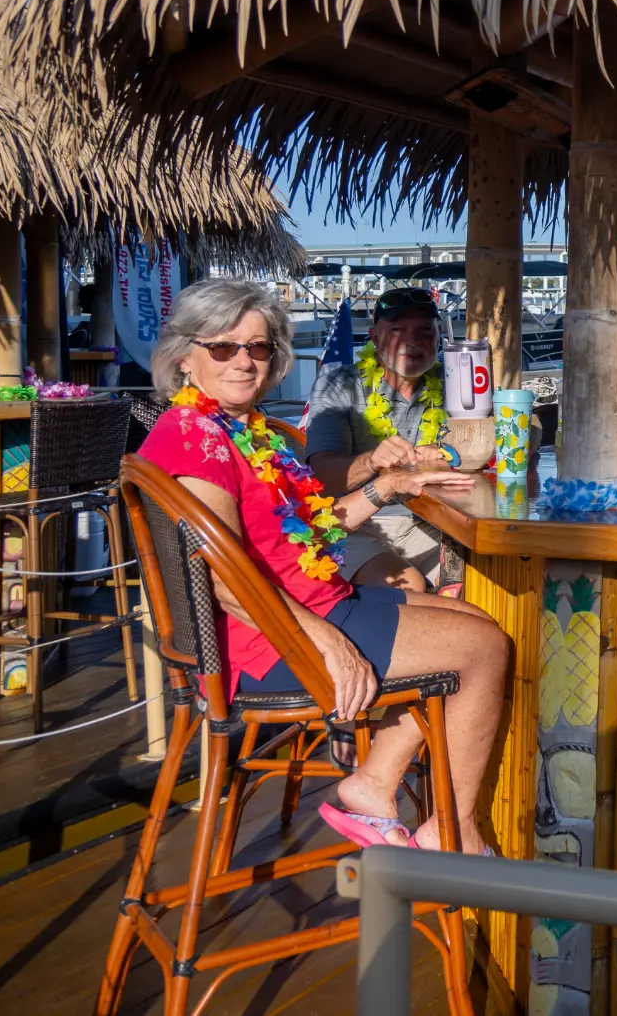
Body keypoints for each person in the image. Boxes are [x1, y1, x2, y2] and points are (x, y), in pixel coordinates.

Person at [139, 279, 504, 852]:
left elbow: (310, 530)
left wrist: (389, 487)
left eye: (258, 348)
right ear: (185, 357)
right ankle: (448, 833)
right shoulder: (194, 437)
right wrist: (327, 643)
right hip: (268, 638)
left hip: (305, 604)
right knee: (484, 649)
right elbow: (224, 576)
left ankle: (373, 784)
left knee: (474, 620)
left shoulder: (237, 429)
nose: (243, 361)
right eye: (223, 348)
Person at [306, 285, 453, 592]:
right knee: (408, 585)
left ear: (439, 335)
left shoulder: (455, 385)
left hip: (435, 523)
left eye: (424, 330)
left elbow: (487, 448)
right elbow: (322, 477)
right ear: (374, 337)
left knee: (475, 578)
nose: (412, 340)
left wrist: (449, 455)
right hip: (354, 523)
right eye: (397, 329)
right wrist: (373, 461)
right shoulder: (341, 383)